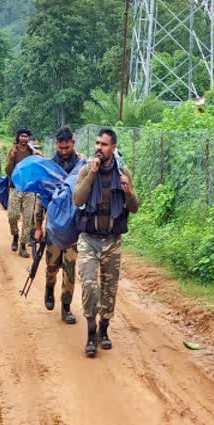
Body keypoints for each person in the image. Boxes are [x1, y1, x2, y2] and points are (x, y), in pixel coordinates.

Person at [73, 128, 139, 357]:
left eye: (104, 144)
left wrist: (129, 192)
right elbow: (77, 199)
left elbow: (134, 207)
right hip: (88, 238)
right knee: (90, 285)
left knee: (109, 290)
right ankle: (91, 333)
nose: (99, 148)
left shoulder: (123, 172)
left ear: (113, 148)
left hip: (112, 240)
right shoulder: (86, 169)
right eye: (98, 143)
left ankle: (104, 329)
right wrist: (91, 174)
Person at [34, 126, 82, 324]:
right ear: (57, 144)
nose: (63, 151)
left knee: (70, 270)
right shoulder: (50, 166)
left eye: (67, 147)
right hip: (53, 228)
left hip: (74, 228)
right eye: (61, 147)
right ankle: (49, 288)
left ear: (73, 143)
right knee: (52, 267)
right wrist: (38, 226)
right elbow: (41, 198)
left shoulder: (81, 166)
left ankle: (66, 307)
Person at [6, 128, 37, 258]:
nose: (24, 138)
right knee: (12, 215)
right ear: (18, 137)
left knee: (28, 218)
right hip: (15, 187)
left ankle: (23, 246)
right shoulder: (13, 151)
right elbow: (8, 171)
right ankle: (15, 235)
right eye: (22, 136)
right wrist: (11, 159)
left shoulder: (31, 152)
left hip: (29, 188)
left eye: (26, 137)